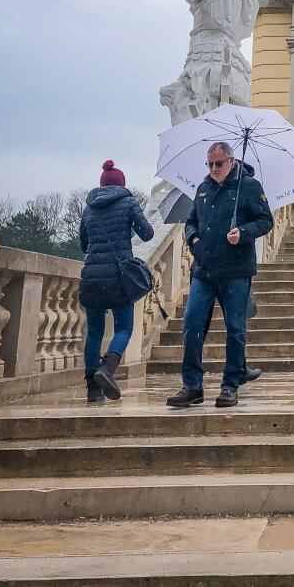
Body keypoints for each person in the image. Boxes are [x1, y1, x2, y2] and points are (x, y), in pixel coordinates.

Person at [167, 141, 273, 409]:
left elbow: (266, 220)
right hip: (203, 270)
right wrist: (194, 239)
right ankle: (192, 385)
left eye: (219, 164)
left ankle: (230, 385)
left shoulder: (249, 187)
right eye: (210, 164)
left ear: (231, 161)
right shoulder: (202, 189)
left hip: (236, 271)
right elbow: (191, 222)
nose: (214, 169)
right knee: (191, 326)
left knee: (235, 329)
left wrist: (244, 233)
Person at [78, 160, 154, 403]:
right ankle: (107, 369)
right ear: (121, 184)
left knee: (94, 332)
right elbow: (147, 234)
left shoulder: (88, 208)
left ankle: (92, 389)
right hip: (118, 277)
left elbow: (83, 244)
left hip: (92, 276)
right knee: (124, 328)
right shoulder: (128, 202)